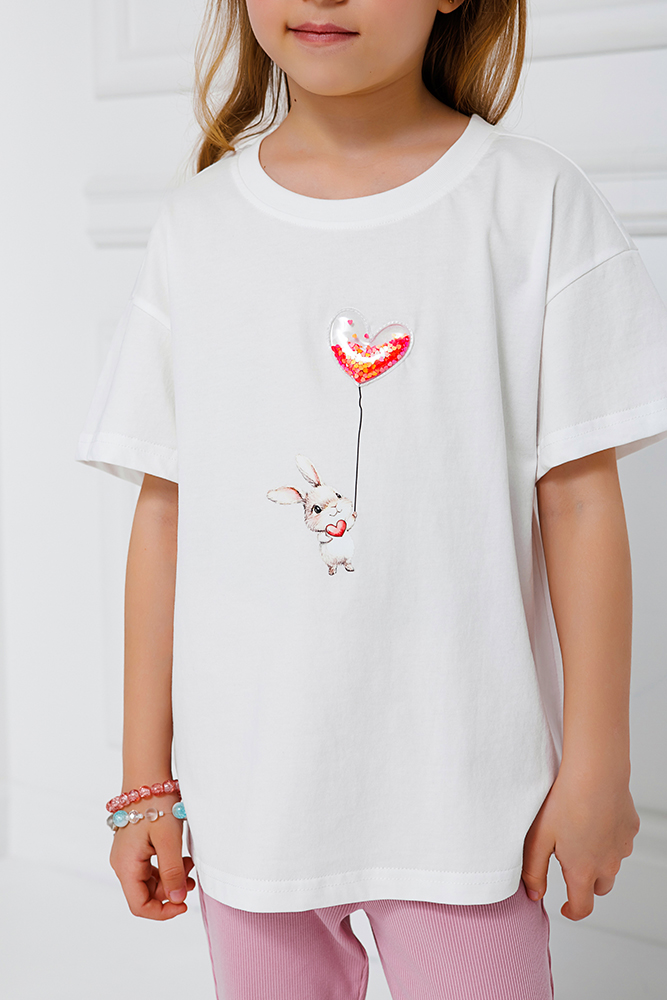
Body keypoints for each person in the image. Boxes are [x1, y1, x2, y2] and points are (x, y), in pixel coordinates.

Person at [75, 1, 667, 997]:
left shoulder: (532, 204)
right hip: (253, 799)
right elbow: (165, 515)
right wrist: (146, 785)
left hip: (469, 801)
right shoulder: (197, 228)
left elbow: (577, 502)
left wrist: (599, 765)